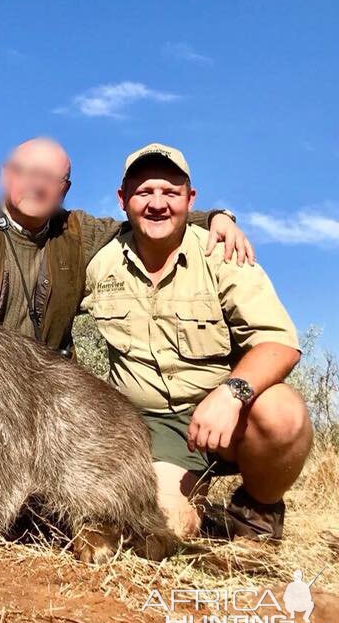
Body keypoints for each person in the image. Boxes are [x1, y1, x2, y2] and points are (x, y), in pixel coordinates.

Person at [82, 143, 312, 540]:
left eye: (170, 193)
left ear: (191, 199)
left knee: (282, 413)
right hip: (153, 430)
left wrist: (230, 394)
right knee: (160, 528)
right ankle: (194, 508)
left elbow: (279, 343)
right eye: (143, 192)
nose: (157, 204)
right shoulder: (99, 263)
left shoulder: (223, 252)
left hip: (230, 417)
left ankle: (256, 512)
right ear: (123, 200)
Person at [0, 137, 252, 355]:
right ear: (6, 175)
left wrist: (216, 217)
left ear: (65, 190)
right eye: (26, 172)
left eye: (50, 177)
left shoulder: (77, 231)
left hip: (56, 391)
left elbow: (147, 219)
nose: (37, 184)